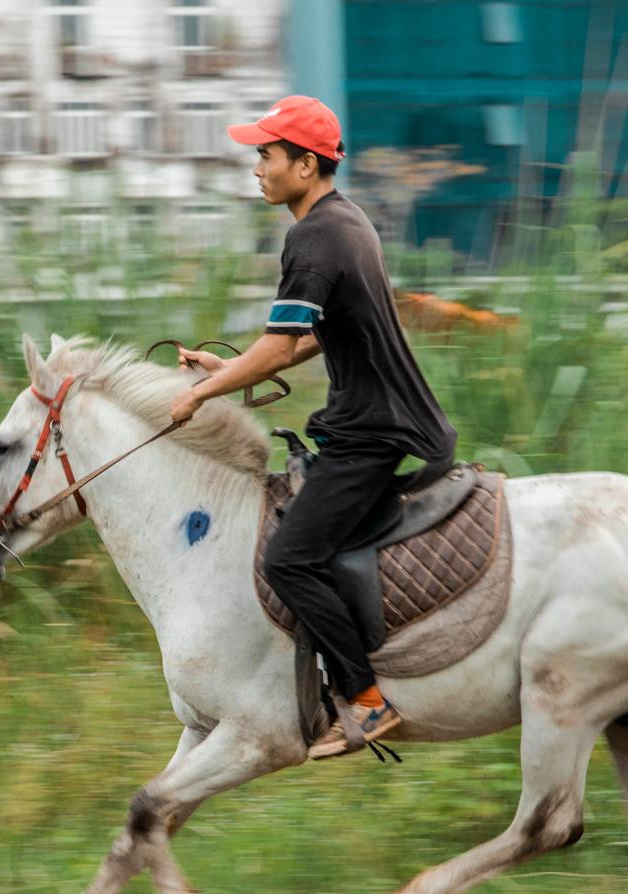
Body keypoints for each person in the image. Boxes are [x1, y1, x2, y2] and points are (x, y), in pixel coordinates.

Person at [166, 95, 458, 758]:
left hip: (372, 432)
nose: (257, 168)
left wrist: (202, 394)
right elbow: (313, 336)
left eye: (266, 155)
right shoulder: (346, 220)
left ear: (305, 164)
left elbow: (278, 348)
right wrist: (231, 366)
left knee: (288, 559)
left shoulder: (314, 236)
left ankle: (366, 700)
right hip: (381, 421)